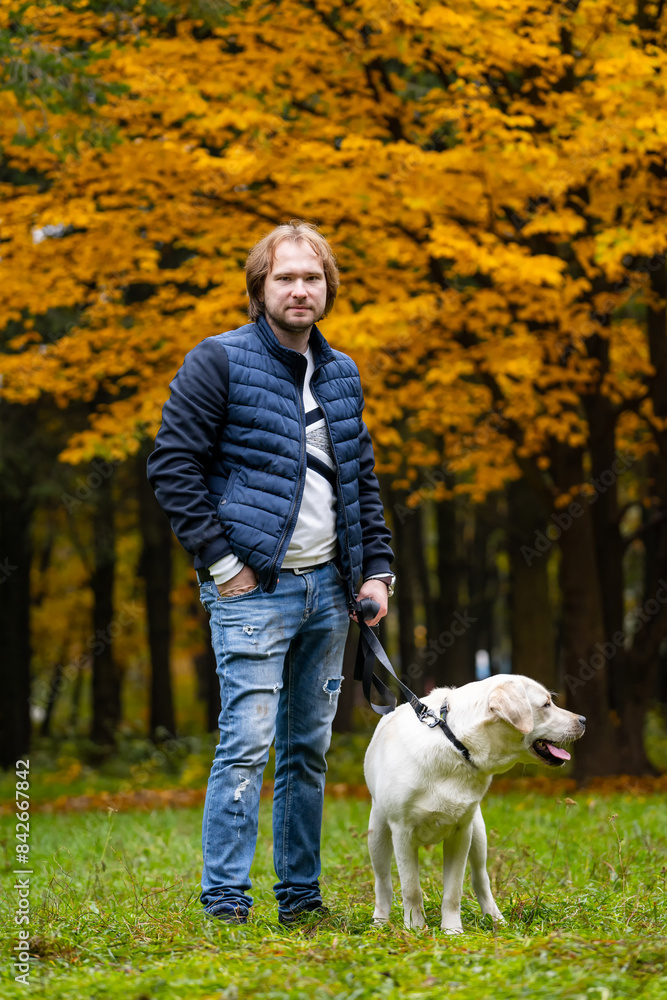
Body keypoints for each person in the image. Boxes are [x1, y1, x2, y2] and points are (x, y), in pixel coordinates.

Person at [147, 220, 395, 926]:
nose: (298, 289)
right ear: (259, 288)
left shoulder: (341, 371)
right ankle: (226, 902)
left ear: (327, 288)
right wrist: (224, 564)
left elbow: (361, 481)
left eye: (311, 278)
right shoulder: (216, 361)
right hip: (252, 590)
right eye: (284, 277)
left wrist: (373, 571)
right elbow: (172, 466)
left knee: (306, 752)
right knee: (247, 744)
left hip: (329, 589)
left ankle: (301, 901)